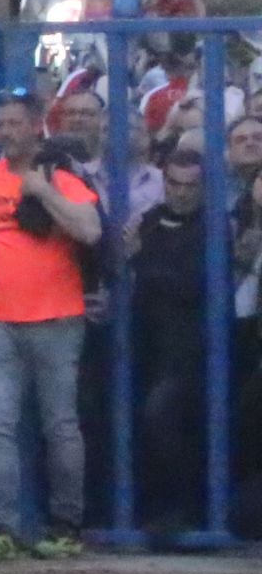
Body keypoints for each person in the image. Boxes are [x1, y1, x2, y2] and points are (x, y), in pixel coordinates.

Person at [0, 92, 101, 560]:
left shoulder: (59, 174)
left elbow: (89, 230)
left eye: (13, 124)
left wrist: (43, 191)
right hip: (0, 317)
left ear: (35, 126)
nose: (5, 132)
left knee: (60, 426)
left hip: (56, 317)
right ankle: (2, 526)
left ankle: (66, 524)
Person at [128, 136, 218, 540]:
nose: (181, 193)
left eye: (190, 185)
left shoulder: (213, 228)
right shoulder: (148, 220)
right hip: (145, 344)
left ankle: (179, 514)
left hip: (195, 349)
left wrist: (143, 261)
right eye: (174, 184)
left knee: (162, 415)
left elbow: (194, 284)